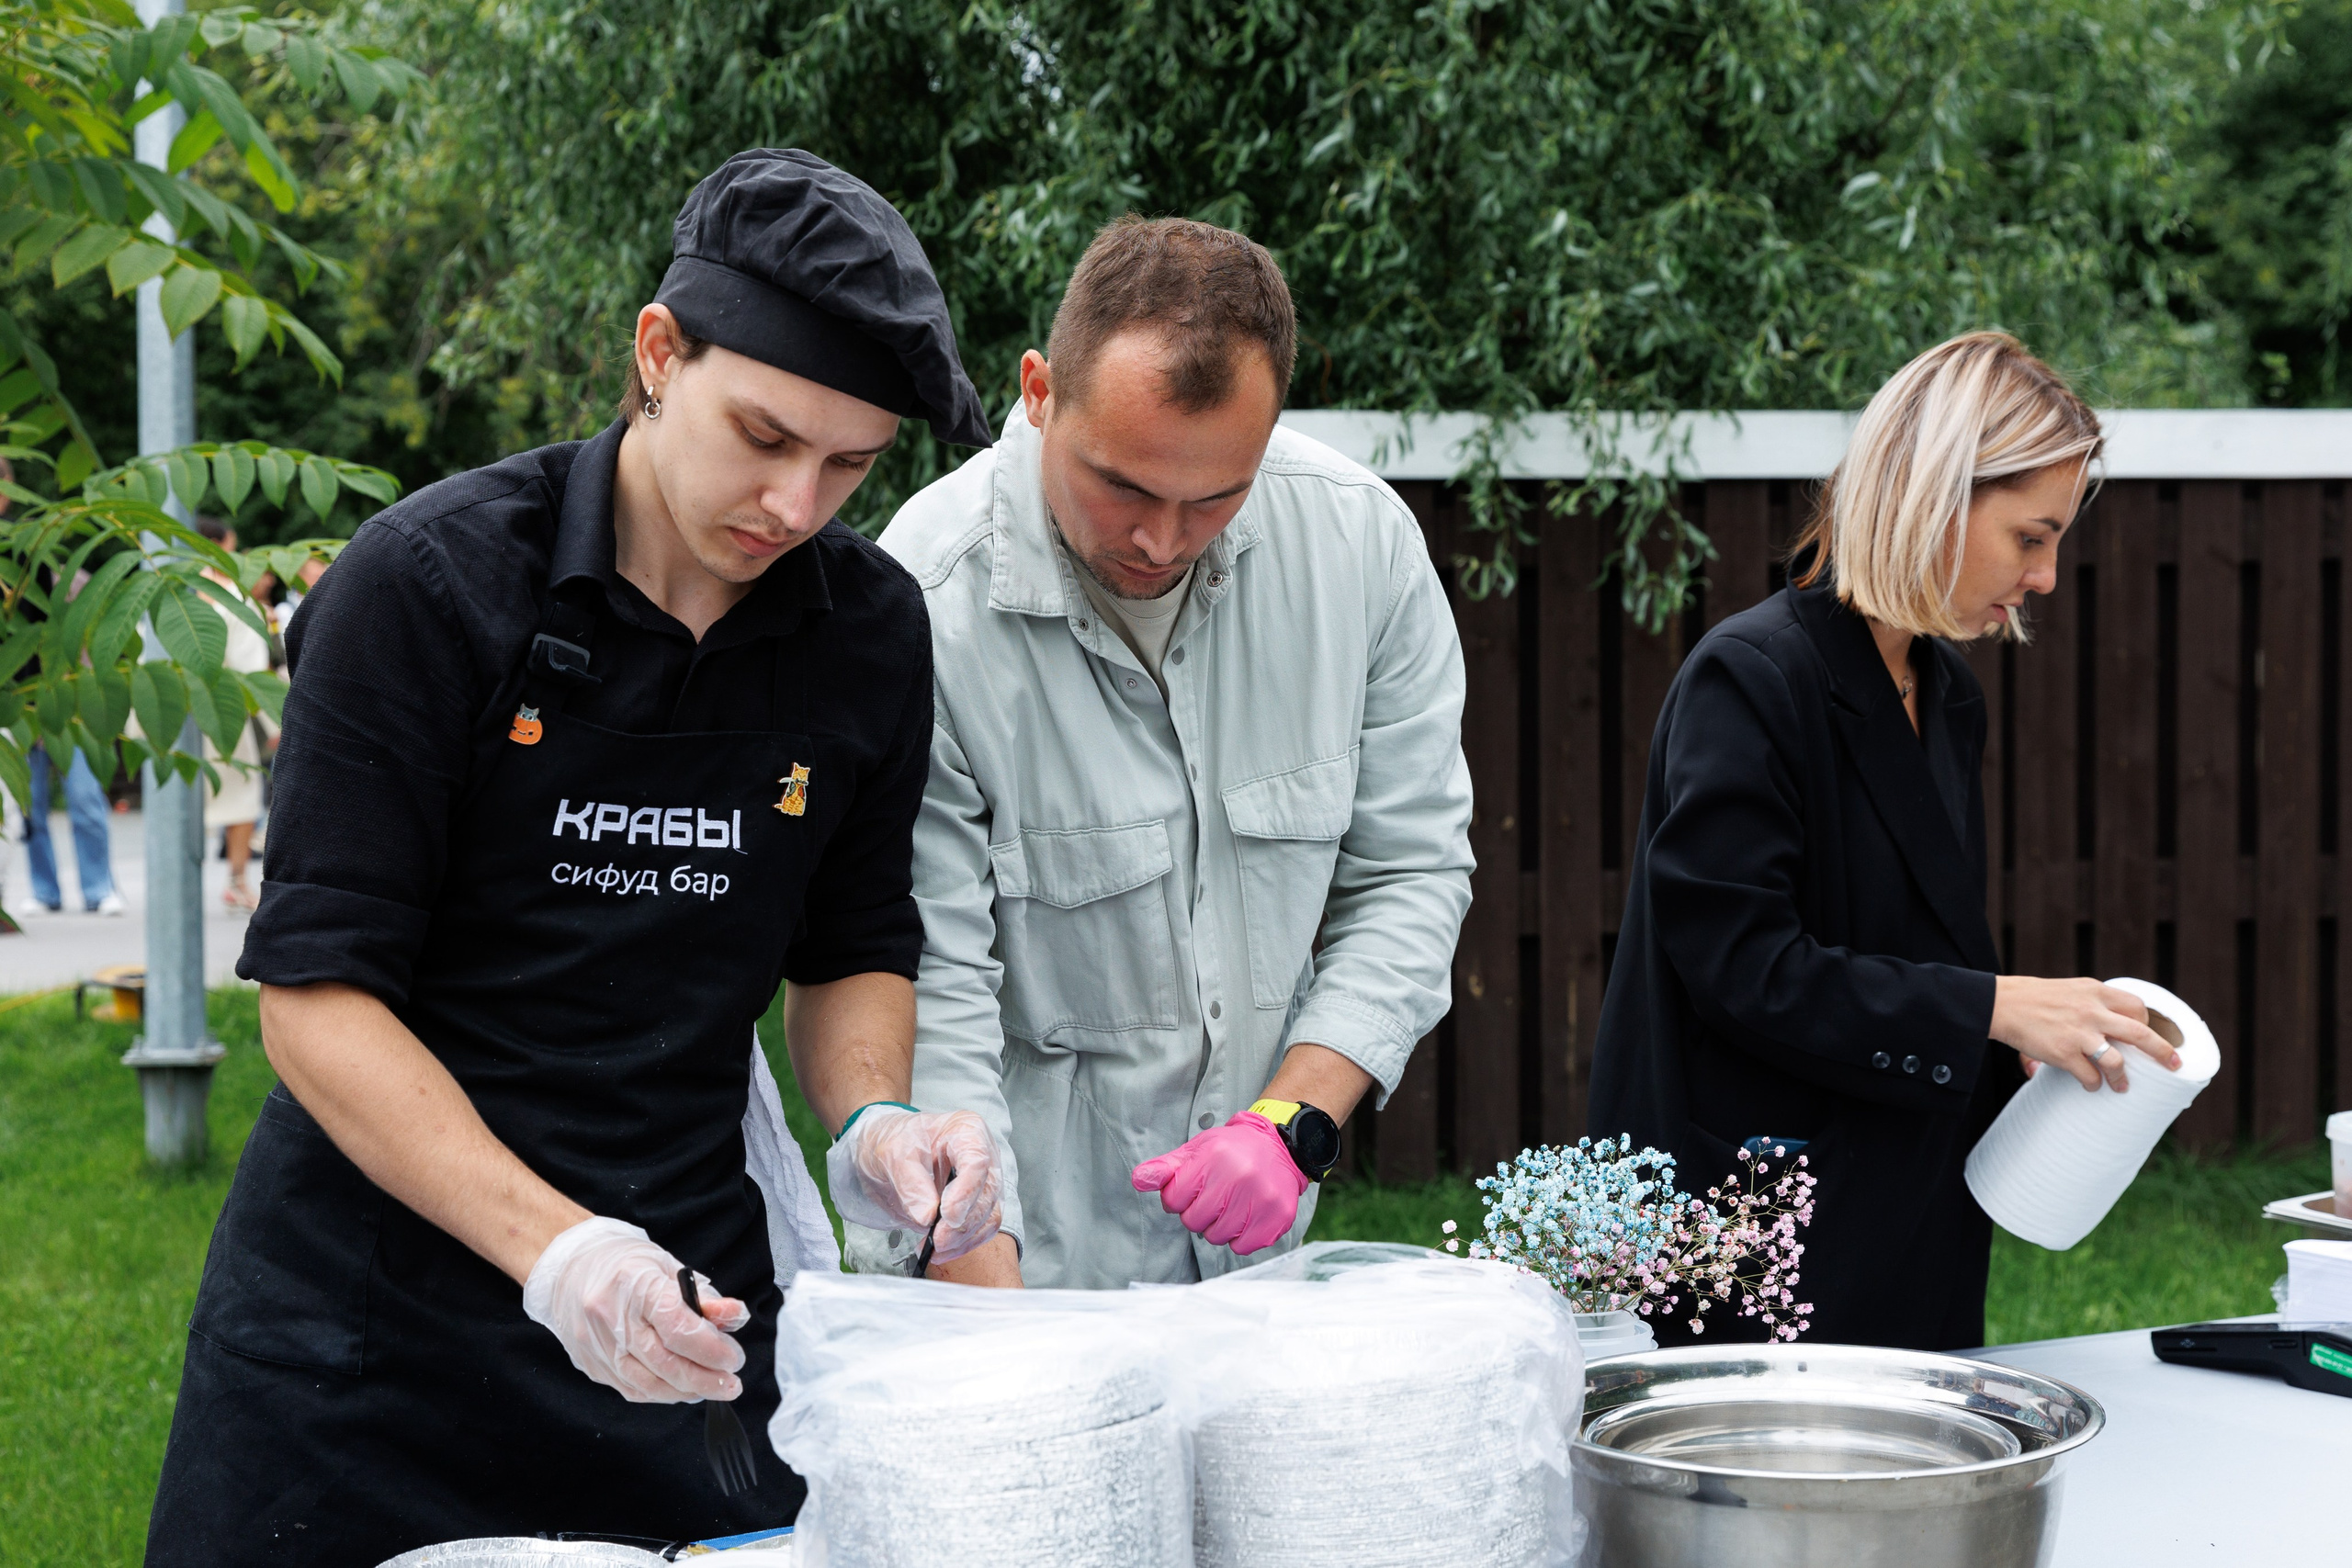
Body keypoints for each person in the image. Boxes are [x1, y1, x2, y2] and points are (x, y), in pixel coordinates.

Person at [146, 150, 1007, 1565]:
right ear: (660, 352)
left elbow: (852, 941)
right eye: (766, 436)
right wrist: (562, 1251)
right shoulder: (426, 588)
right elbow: (315, 998)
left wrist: (874, 1124)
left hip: (684, 1323)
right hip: (366, 1336)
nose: (797, 505)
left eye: (850, 464)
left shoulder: (866, 629)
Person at [877, 217, 1474, 1290]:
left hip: (1256, 1275)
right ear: (1037, 392)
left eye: (1214, 498)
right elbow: (934, 991)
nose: (1160, 540)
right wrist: (988, 1314)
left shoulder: (1363, 549)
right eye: (1123, 487)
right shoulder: (923, 608)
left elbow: (1410, 873)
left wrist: (1290, 1123)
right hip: (1012, 1264)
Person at [1586, 331, 2180, 1352]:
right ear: (1934, 496)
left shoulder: (1947, 695)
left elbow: (1913, 946)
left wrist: (2013, 1044)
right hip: (1758, 1223)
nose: (2044, 577)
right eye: (2030, 537)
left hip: (1913, 1200)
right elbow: (1741, 968)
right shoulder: (1751, 677)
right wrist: (1993, 1008)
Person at [0, 453, 123, 917]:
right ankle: (44, 890)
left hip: (66, 700)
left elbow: (85, 609)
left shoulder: (39, 554)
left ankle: (98, 887)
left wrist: (90, 692)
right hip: (16, 704)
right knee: (27, 805)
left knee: (86, 799)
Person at [191, 515, 274, 909]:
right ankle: (237, 882)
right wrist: (272, 720)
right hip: (225, 710)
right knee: (241, 798)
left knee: (183, 796)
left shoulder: (171, 588)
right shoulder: (237, 599)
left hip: (178, 711)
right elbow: (252, 669)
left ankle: (179, 878)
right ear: (218, 545)